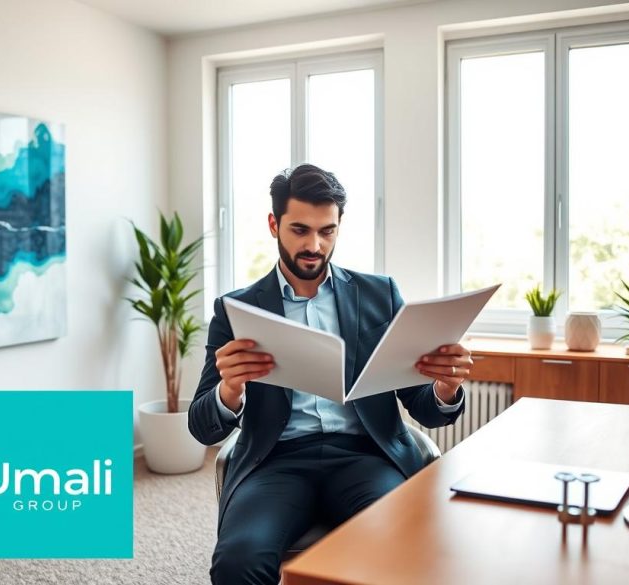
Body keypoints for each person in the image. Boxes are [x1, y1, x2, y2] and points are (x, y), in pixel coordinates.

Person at [188, 163, 473, 585]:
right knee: (238, 562)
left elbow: (425, 408)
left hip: (366, 457)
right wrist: (230, 390)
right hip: (276, 461)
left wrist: (446, 388)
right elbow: (201, 426)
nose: (315, 245)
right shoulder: (236, 309)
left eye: (327, 231)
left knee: (400, 549)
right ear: (274, 224)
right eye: (300, 230)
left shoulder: (380, 295)